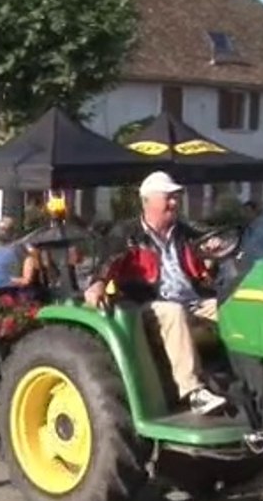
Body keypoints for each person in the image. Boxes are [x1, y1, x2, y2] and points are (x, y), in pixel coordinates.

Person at [83, 171, 229, 415]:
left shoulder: (184, 231)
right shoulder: (126, 234)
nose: (174, 203)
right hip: (148, 304)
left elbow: (206, 241)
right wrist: (98, 282)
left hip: (193, 301)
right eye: (168, 197)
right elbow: (107, 262)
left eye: (176, 197)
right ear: (147, 201)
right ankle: (193, 392)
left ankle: (248, 378)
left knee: (232, 306)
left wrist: (215, 248)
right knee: (173, 311)